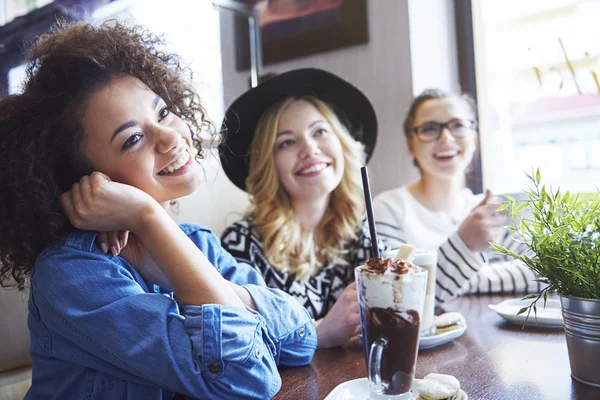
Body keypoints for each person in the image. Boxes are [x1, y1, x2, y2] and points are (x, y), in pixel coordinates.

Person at [0, 21, 316, 399]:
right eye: (133, 139)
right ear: (91, 180)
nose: (169, 137)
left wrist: (171, 256)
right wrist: (148, 217)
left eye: (163, 112)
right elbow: (246, 379)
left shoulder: (194, 242)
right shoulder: (71, 276)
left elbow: (300, 340)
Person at [219, 69, 383, 348]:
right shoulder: (242, 246)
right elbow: (236, 347)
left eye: (319, 131)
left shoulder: (361, 236)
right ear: (269, 165)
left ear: (342, 143)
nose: (309, 149)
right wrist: (319, 333)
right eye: (287, 142)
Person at [373, 89, 540, 303]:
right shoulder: (389, 208)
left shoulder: (488, 209)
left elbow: (542, 272)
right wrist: (464, 244)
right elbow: (394, 292)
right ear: (410, 145)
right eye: (429, 129)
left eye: (458, 125)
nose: (445, 137)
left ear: (474, 136)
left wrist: (443, 277)